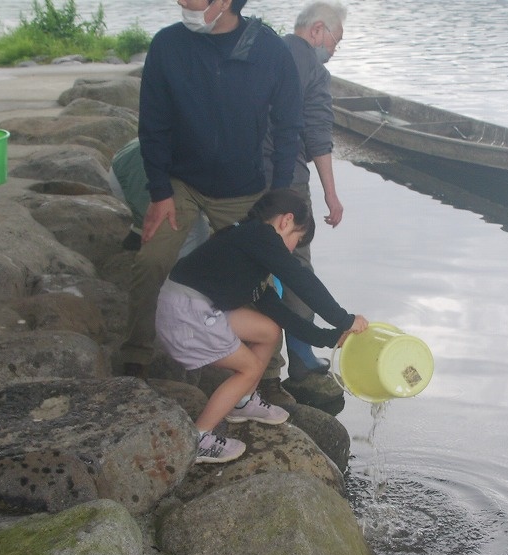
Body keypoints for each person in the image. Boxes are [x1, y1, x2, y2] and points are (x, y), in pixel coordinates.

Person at [120, 0, 303, 409]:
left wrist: (279, 197)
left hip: (243, 188)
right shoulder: (168, 45)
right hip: (181, 182)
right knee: (152, 260)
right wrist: (159, 192)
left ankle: (268, 375)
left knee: (260, 278)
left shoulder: (269, 49)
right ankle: (135, 359)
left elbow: (289, 127)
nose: (182, 2)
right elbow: (153, 124)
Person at [156, 189, 368, 462]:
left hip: (195, 307)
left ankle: (242, 402)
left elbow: (279, 312)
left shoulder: (249, 247)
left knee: (269, 331)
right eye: (297, 240)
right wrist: (345, 319)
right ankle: (199, 439)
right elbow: (301, 280)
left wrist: (330, 337)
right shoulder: (259, 236)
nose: (291, 250)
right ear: (286, 221)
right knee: (250, 367)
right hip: (186, 315)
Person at [262, 1, 346, 382]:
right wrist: (331, 195)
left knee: (253, 259)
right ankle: (301, 356)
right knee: (295, 264)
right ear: (316, 30)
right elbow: (318, 137)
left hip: (244, 178)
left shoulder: (266, 51)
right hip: (288, 181)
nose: (334, 49)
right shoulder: (315, 70)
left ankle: (259, 362)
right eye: (335, 40)